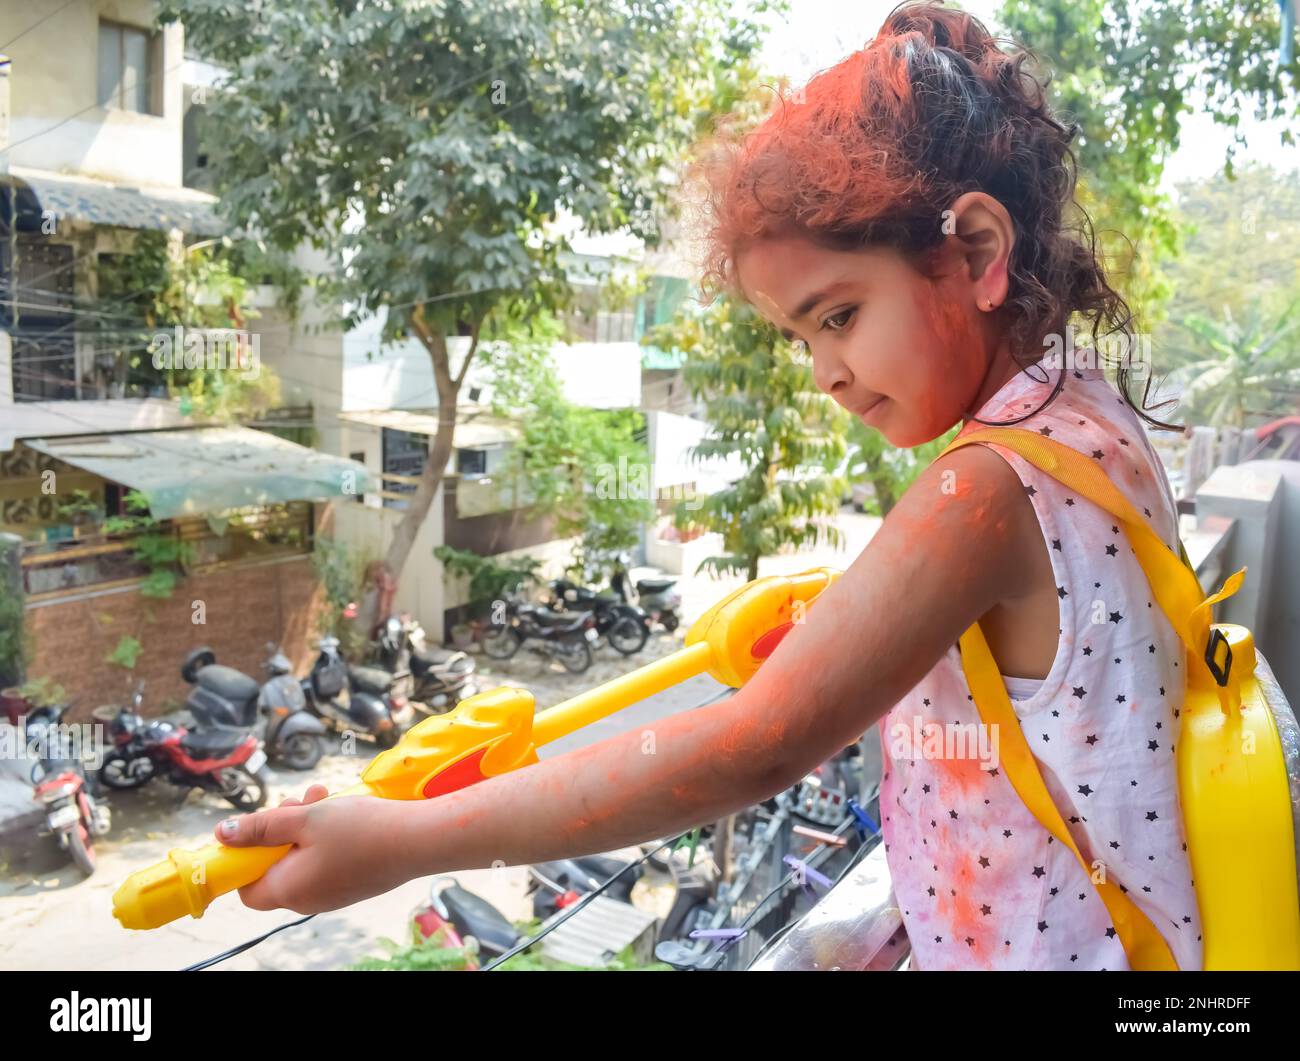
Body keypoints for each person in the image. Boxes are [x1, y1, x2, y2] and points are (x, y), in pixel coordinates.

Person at [213, 1, 1199, 970]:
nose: (823, 372)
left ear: (976, 252)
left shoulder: (983, 490)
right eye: (800, 335)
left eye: (840, 315)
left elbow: (749, 744)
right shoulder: (1082, 415)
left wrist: (398, 841)